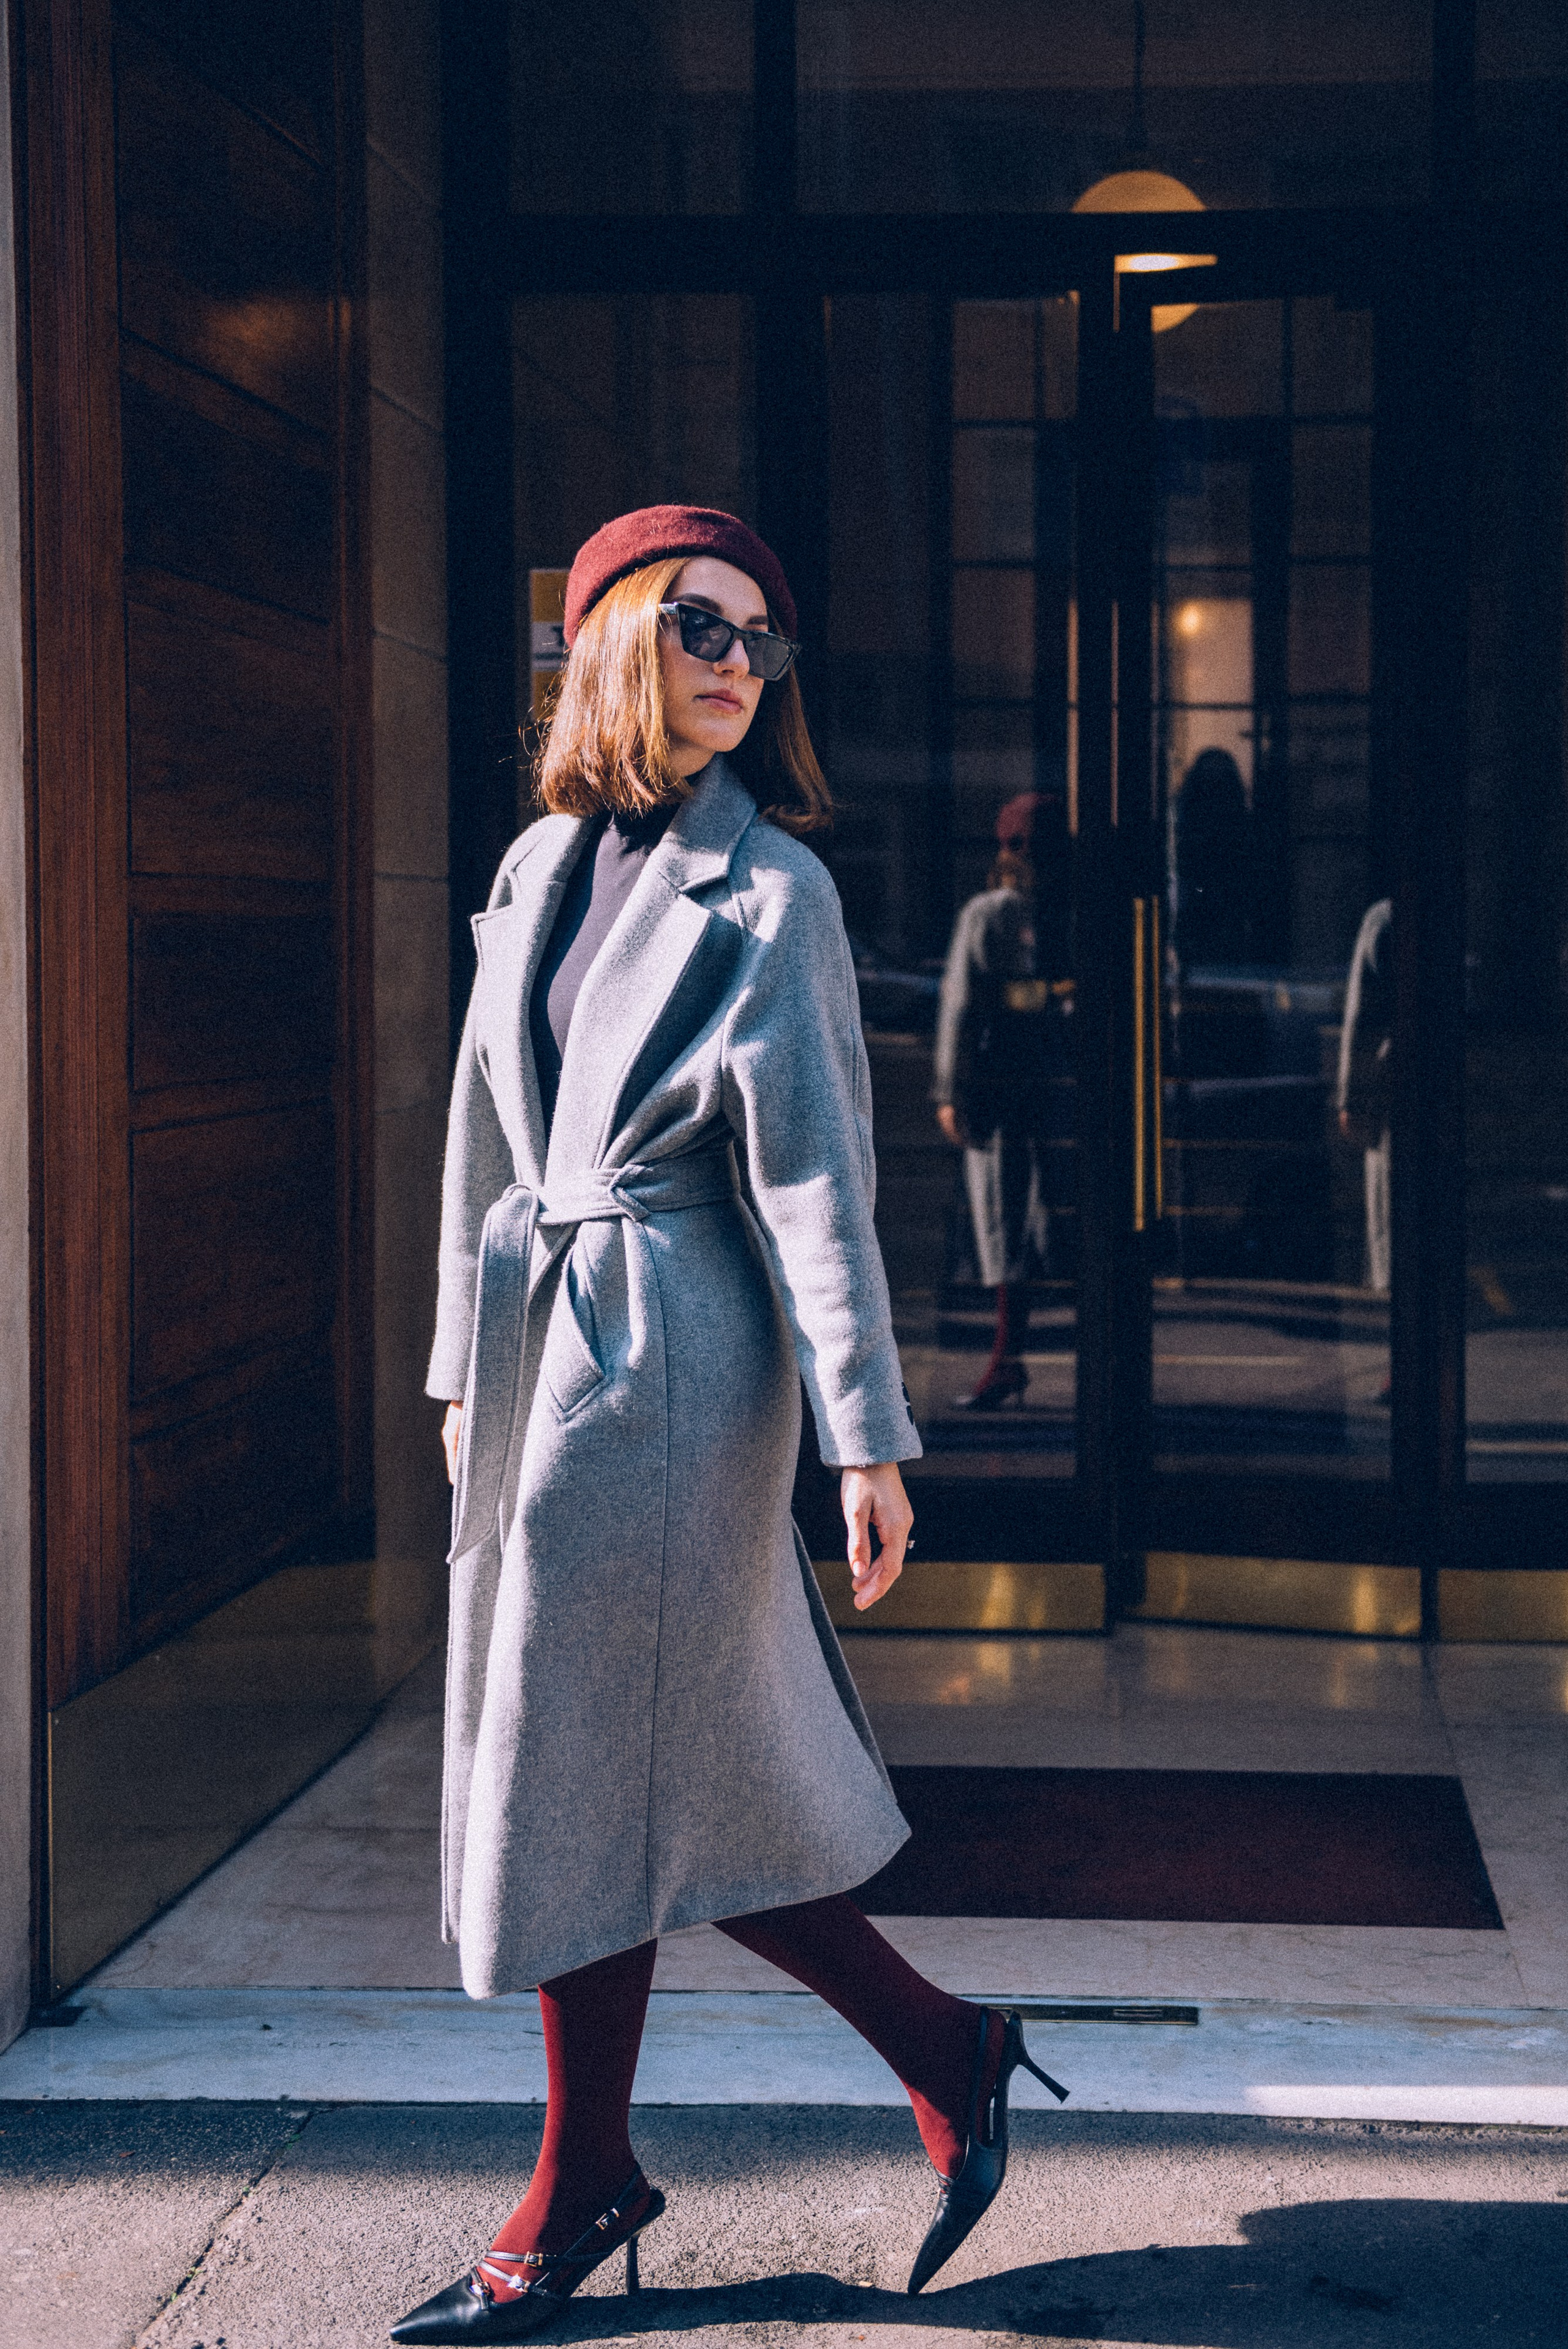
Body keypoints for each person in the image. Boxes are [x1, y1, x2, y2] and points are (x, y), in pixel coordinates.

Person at [393, 507, 1065, 2344]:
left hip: (683, 1371)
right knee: (619, 1777)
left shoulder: (773, 890)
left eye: (761, 639)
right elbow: (481, 1145)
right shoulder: (534, 871)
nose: (734, 663)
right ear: (610, 632)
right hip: (548, 1360)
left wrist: (868, 1438)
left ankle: (576, 2187)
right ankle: (933, 2054)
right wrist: (461, 1374)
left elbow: (819, 1187)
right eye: (702, 623)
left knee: (593, 1768)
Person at [932, 796, 1069, 1411]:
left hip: (998, 1087)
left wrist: (949, 1090)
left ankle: (1005, 1361)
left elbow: (964, 1004)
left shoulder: (987, 913)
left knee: (1000, 1221)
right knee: (1027, 1222)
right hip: (1051, 1085)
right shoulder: (1065, 916)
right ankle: (1006, 1358)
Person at [1336, 897, 1394, 1298]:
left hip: (1390, 1086)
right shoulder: (1444, 913)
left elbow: (1361, 1017)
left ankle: (1388, 1287)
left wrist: (1350, 1097)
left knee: (1386, 1209)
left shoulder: (1384, 919)